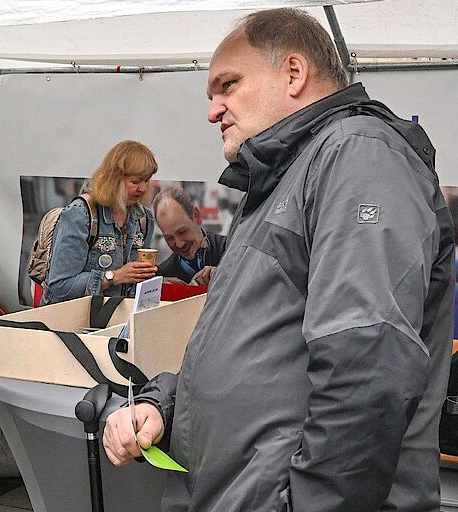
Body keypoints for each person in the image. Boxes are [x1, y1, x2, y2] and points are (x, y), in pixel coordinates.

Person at [103, 8, 454, 512]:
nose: (213, 111)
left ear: (293, 73)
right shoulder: (282, 180)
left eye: (227, 85)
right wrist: (166, 405)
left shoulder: (358, 155)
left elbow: (367, 371)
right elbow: (262, 363)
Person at [42, 140, 158, 305]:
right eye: (135, 181)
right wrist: (114, 277)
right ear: (114, 179)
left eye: (146, 180)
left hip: (117, 314)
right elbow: (60, 285)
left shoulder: (144, 218)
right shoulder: (80, 215)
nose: (143, 188)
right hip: (73, 316)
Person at [153, 188, 227, 285]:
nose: (179, 244)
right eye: (169, 238)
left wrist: (222, 275)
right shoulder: (163, 276)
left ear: (196, 216)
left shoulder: (229, 250)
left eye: (182, 232)